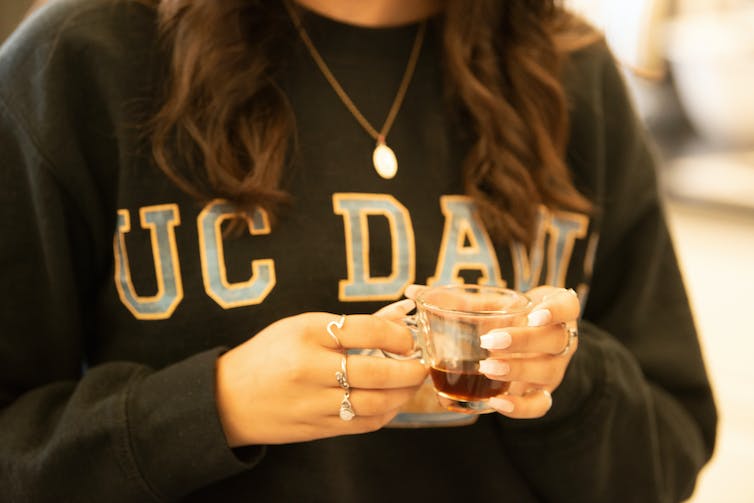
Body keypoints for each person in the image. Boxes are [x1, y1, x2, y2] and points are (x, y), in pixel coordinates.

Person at [0, 0, 717, 501]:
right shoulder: (80, 60)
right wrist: (213, 405)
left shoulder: (573, 72)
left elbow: (668, 455)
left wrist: (567, 378)